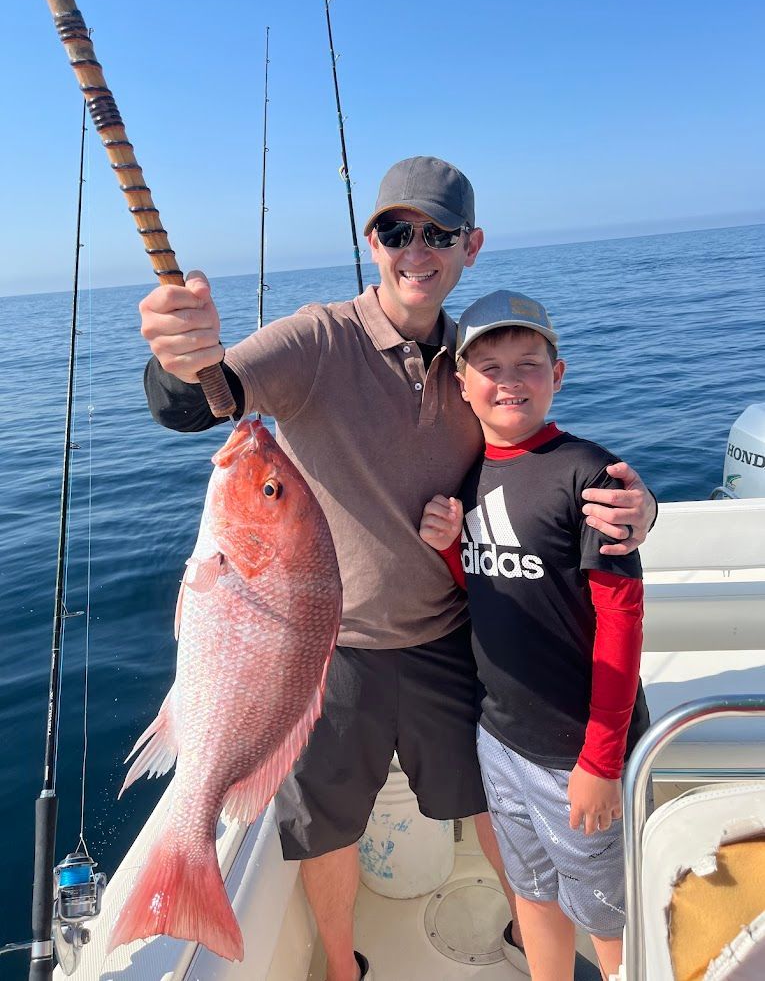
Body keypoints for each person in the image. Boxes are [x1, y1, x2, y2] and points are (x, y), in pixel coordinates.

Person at [138, 157, 656, 981]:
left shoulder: (476, 356)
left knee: (486, 802)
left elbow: (542, 463)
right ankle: (341, 969)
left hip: (451, 637)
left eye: (438, 233)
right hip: (320, 649)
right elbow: (200, 399)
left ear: (469, 247)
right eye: (395, 230)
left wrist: (638, 509)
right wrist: (178, 355)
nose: (416, 248)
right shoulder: (316, 338)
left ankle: (534, 937)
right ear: (370, 240)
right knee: (325, 826)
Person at [419, 290, 649, 981]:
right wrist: (449, 553)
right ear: (462, 385)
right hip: (500, 736)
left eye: (528, 363)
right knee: (530, 892)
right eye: (488, 365)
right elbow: (494, 589)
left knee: (604, 913)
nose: (508, 379)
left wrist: (601, 760)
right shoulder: (466, 475)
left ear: (559, 374)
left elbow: (622, 619)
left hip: (577, 748)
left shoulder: (589, 475)